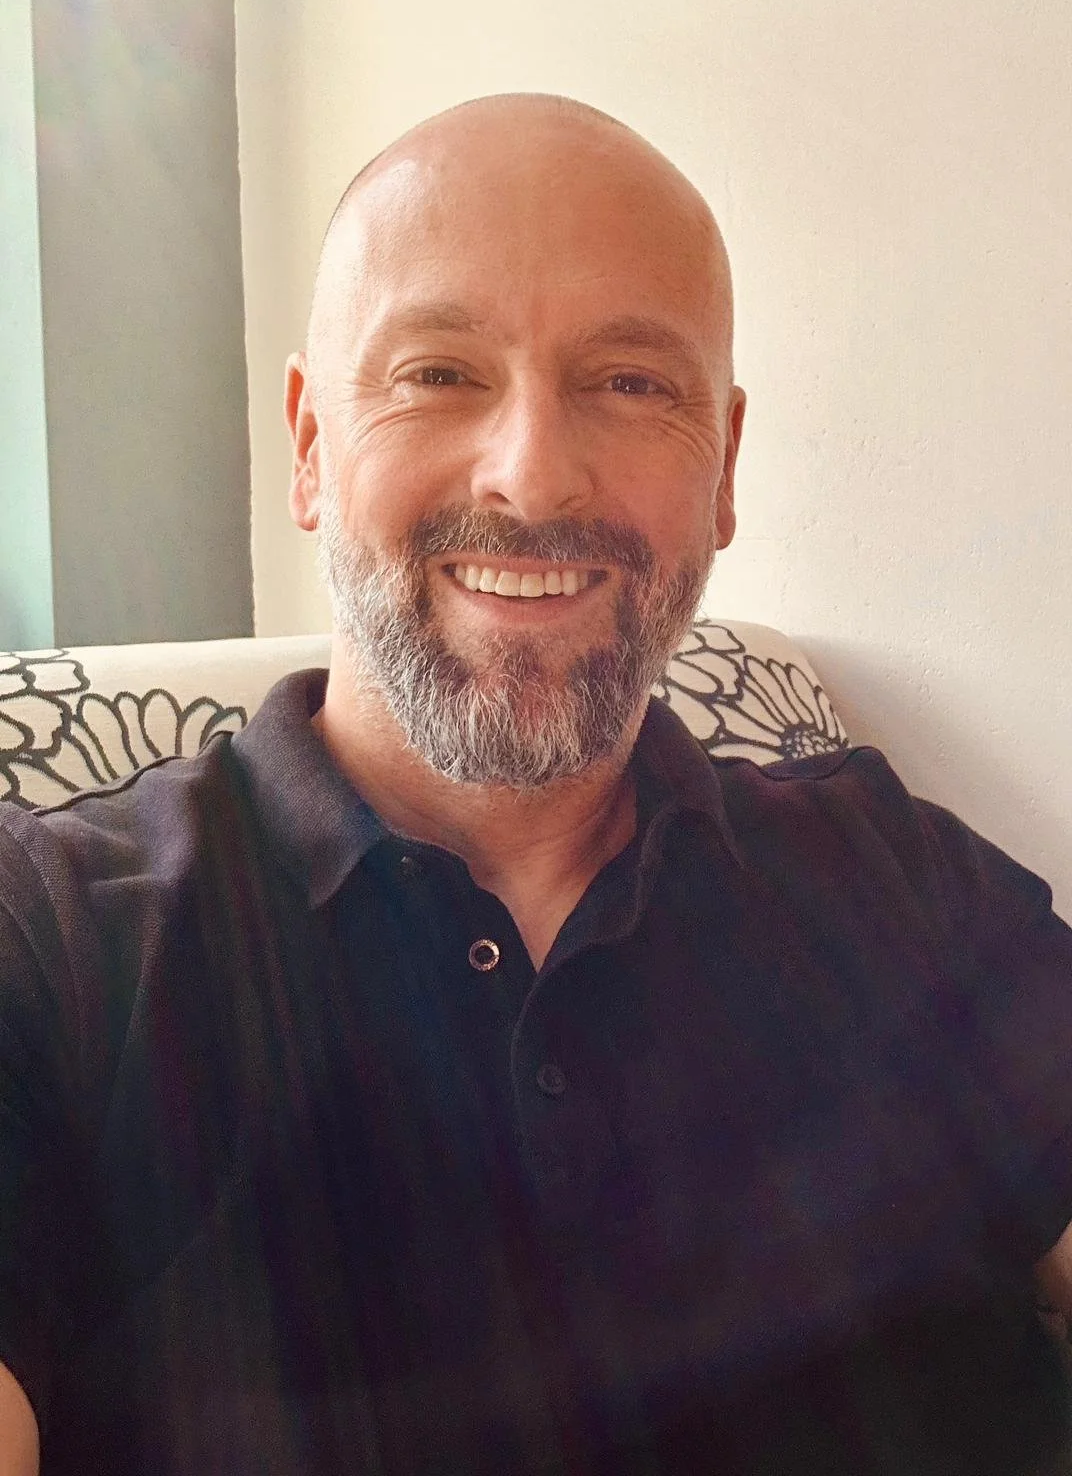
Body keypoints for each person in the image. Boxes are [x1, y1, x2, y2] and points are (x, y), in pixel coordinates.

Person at [1, 93, 1071, 1476]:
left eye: (631, 384)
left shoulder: (895, 876)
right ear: (311, 444)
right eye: (439, 373)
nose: (531, 473)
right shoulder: (54, 953)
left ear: (727, 465)